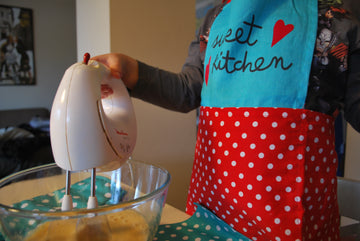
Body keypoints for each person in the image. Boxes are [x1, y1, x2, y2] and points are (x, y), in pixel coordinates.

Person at [92, 0, 360, 240]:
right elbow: (188, 90)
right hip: (213, 211)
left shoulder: (337, 25)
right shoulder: (216, 19)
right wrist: (132, 71)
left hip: (291, 220)